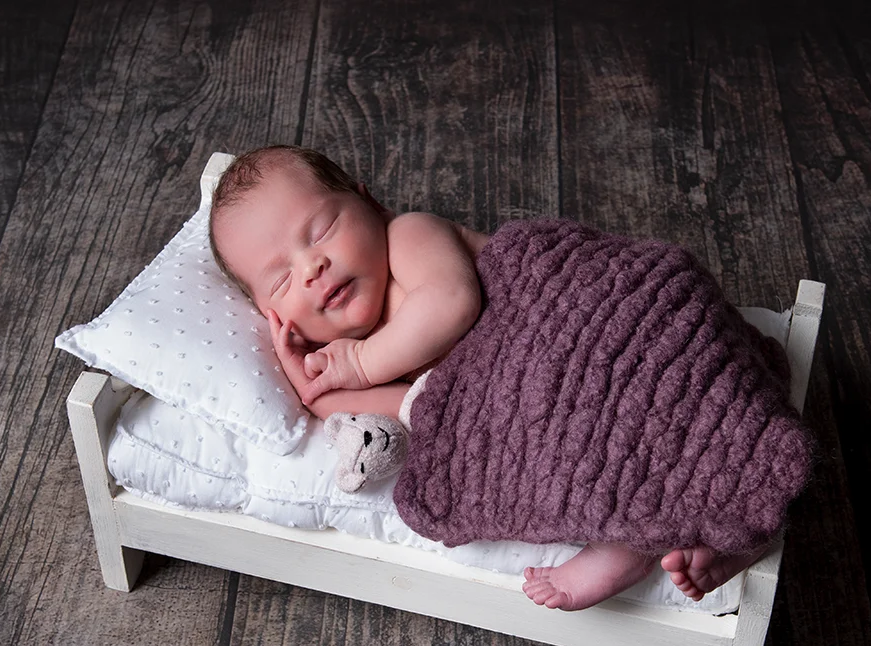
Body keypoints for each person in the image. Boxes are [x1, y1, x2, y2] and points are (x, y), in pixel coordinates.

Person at [208, 144, 768, 611]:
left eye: (323, 229)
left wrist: (355, 364)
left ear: (367, 201)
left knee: (652, 391)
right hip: (534, 395)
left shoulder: (409, 237)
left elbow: (451, 304)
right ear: (271, 315)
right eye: (281, 282)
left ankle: (712, 508)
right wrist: (310, 388)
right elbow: (413, 409)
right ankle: (651, 536)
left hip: (584, 322)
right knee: (556, 452)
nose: (312, 268)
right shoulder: (352, 347)